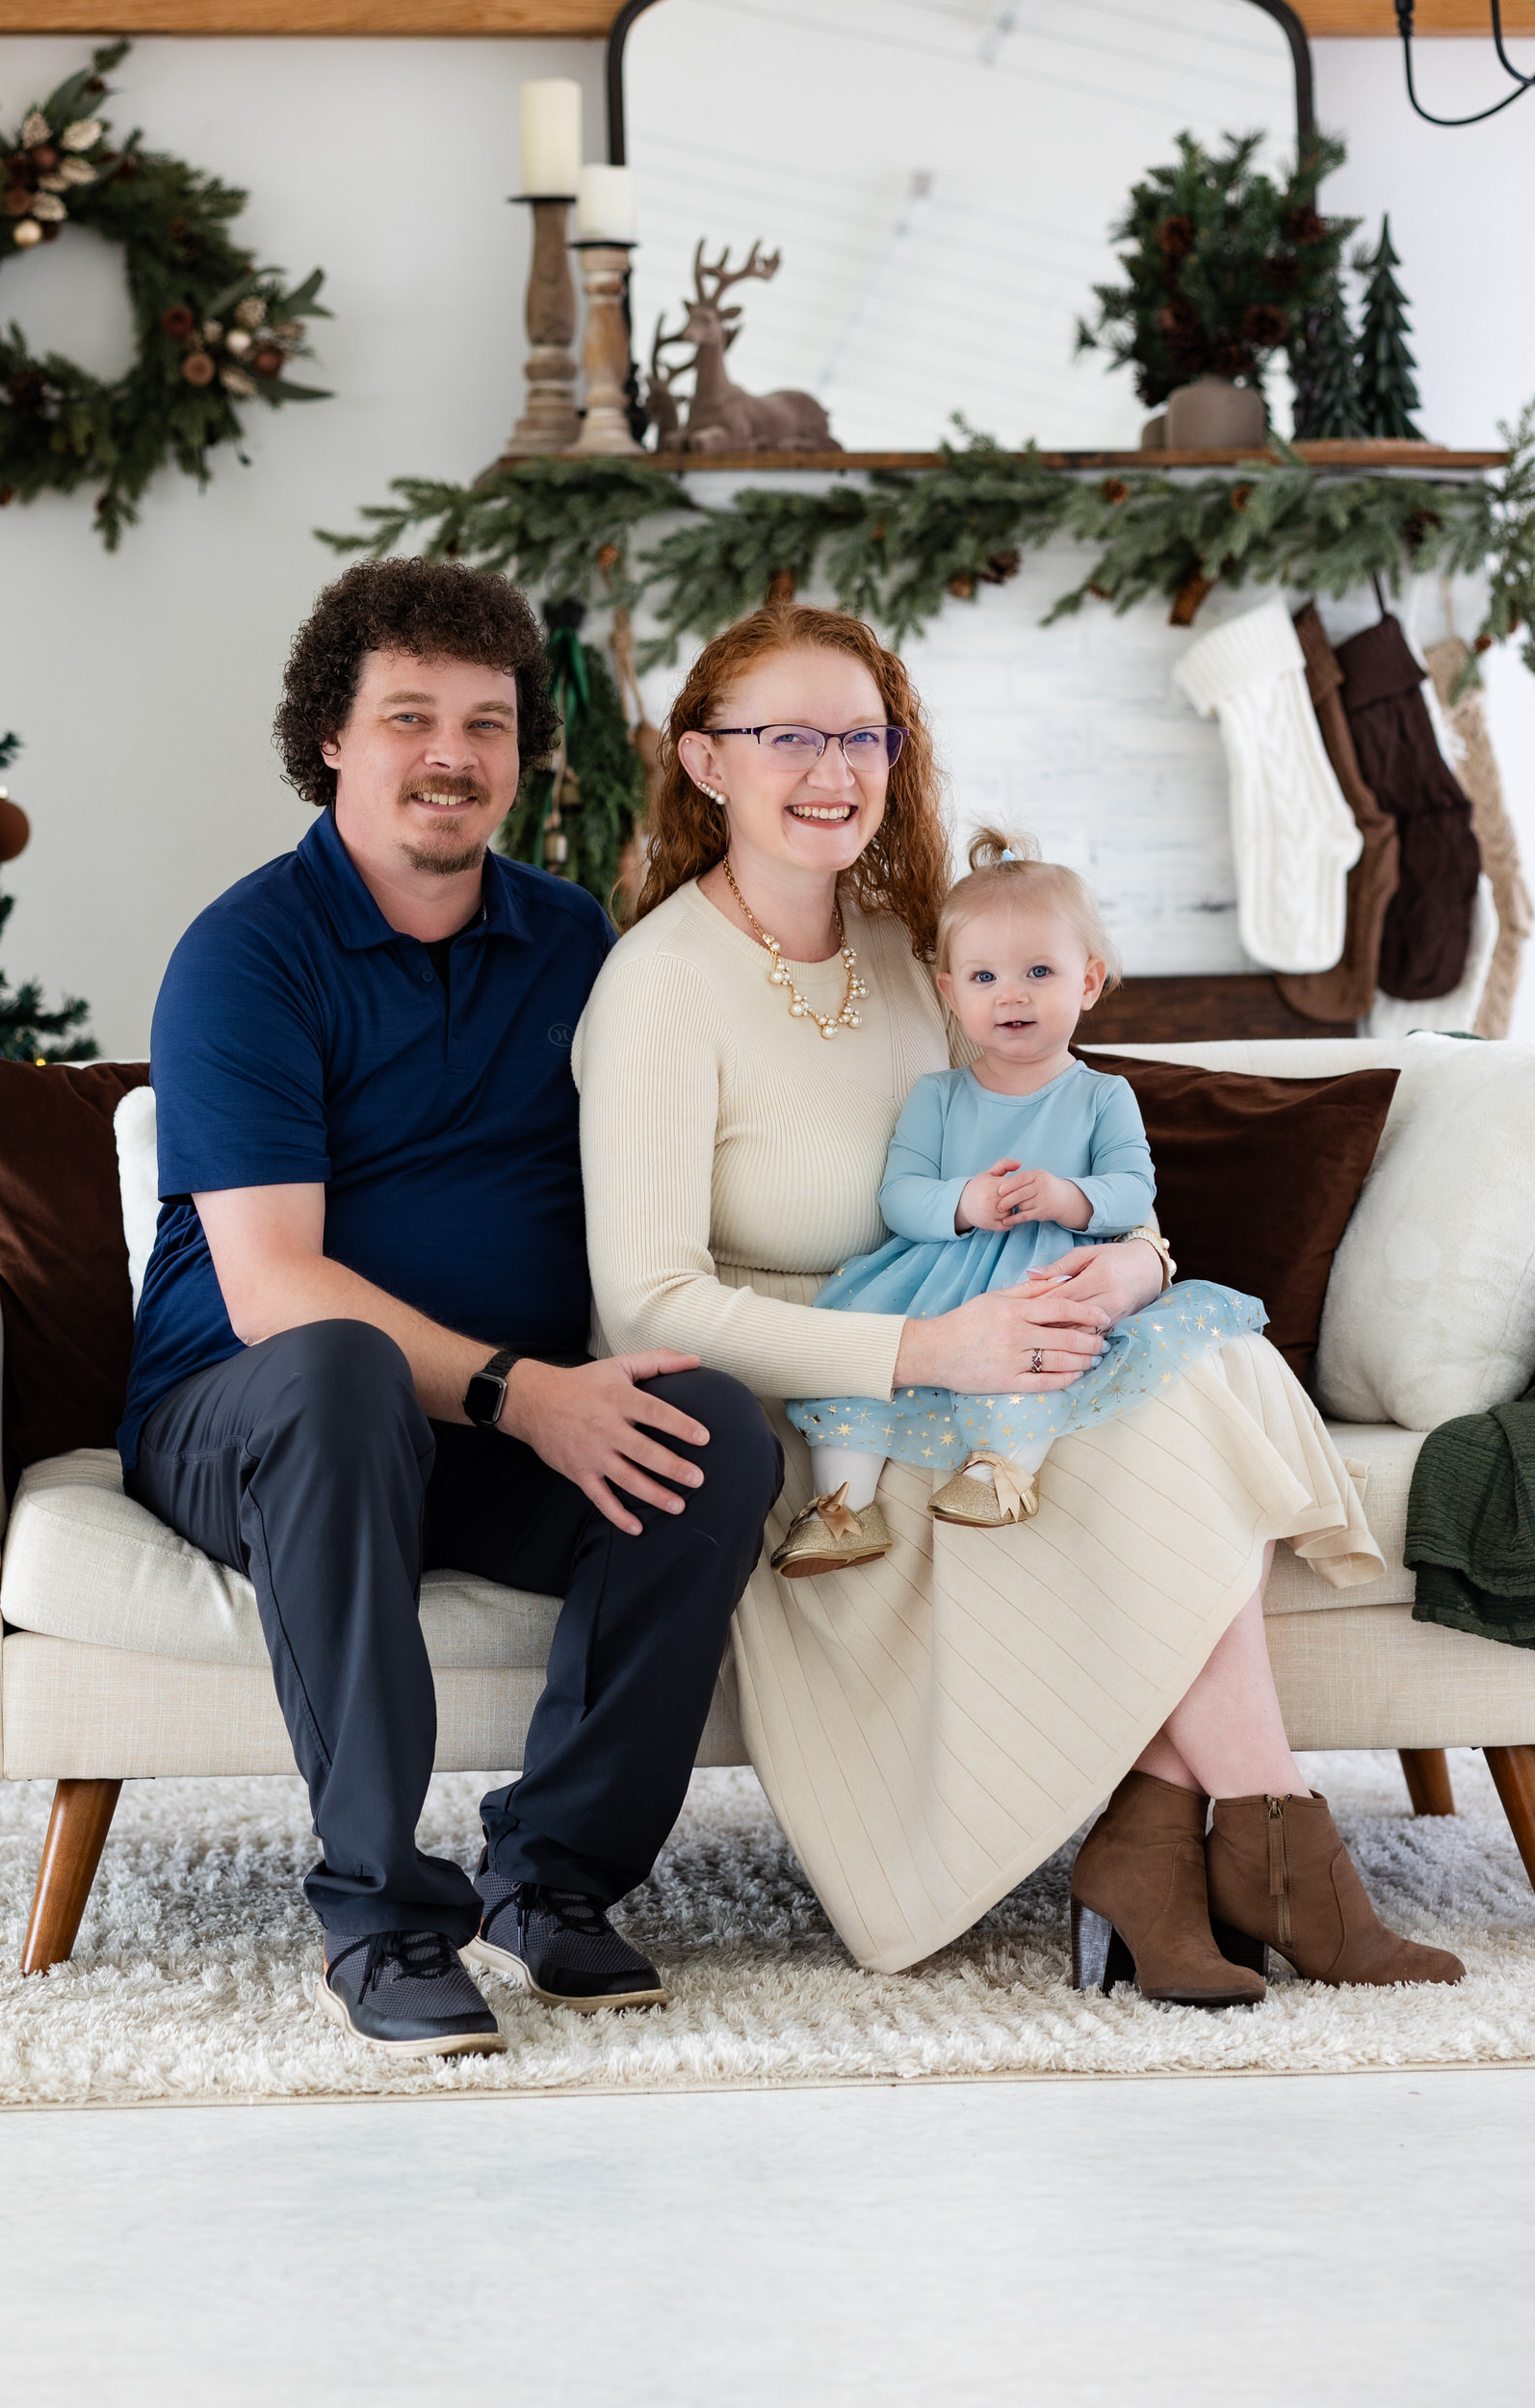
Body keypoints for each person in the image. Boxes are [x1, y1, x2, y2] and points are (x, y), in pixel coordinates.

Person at [574, 601, 1464, 2008]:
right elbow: (644, 1305)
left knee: (1198, 1364)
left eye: (860, 733)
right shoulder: (657, 986)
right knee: (1179, 1417)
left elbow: (1057, 1158)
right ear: (703, 765)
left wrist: (1135, 1266)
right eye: (784, 735)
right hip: (816, 1420)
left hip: (982, 1357)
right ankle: (1271, 1860)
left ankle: (1172, 1853)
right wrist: (931, 1343)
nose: (832, 768)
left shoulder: (915, 946)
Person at [120, 560, 781, 2058]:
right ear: (332, 741)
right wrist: (527, 1394)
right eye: (408, 716)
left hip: (483, 1437)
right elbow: (273, 1285)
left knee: (711, 1433)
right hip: (256, 1419)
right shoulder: (245, 958)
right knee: (342, 1366)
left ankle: (551, 1882)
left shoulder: (573, 950)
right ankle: (379, 1913)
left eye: (485, 724)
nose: (450, 755)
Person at [778, 825, 1265, 1573]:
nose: (1010, 994)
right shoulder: (936, 1096)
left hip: (1048, 1269)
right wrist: (965, 1201)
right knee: (860, 1346)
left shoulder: (1103, 1095)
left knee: (1044, 1351)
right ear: (949, 991)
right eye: (982, 978)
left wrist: (1068, 1196)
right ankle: (841, 1506)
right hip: (936, 1275)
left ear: (1088, 981)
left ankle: (998, 1473)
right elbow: (900, 1196)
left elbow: (1135, 1189)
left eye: (1039, 971)